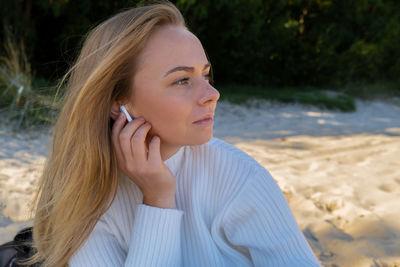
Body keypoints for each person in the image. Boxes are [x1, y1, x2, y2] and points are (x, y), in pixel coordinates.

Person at [22, 1, 322, 266]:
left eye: (205, 75)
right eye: (182, 80)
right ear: (118, 103)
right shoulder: (87, 197)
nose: (212, 94)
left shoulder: (239, 177)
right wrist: (158, 198)